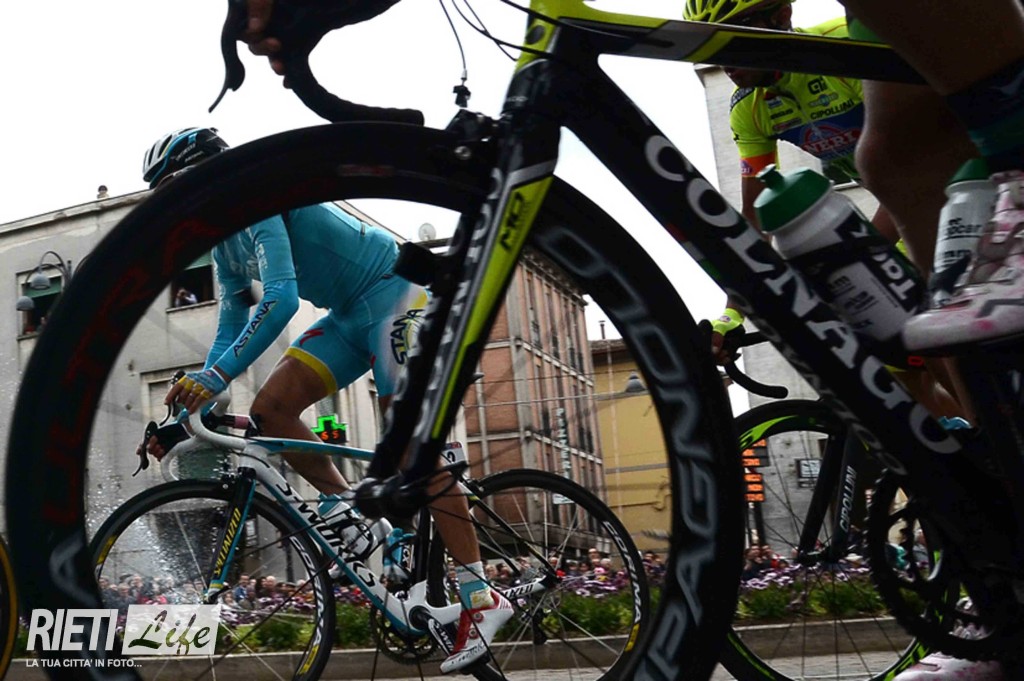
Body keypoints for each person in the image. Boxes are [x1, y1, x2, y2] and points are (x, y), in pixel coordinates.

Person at [142, 127, 511, 673]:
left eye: (172, 189)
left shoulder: (257, 200)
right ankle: (354, 513)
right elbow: (232, 323)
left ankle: (482, 596)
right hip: (347, 316)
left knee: (413, 449)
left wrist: (215, 377)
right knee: (270, 412)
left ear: (205, 174)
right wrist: (189, 406)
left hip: (397, 294)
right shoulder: (224, 244)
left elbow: (282, 299)